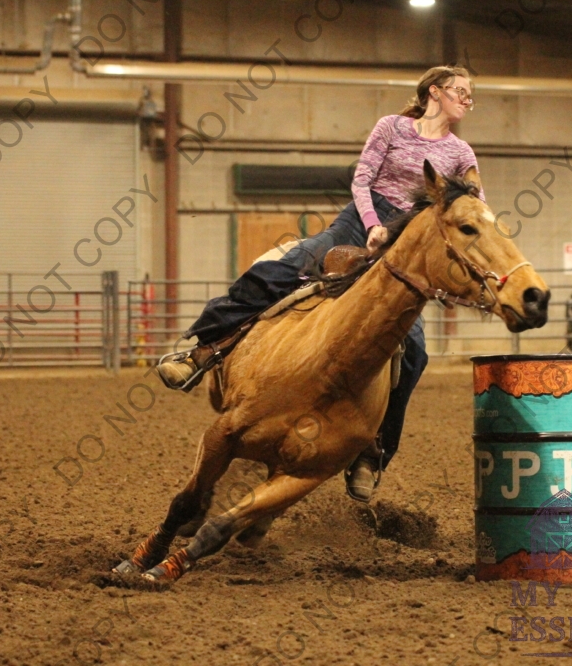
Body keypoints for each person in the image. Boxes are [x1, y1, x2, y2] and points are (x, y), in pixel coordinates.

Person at [157, 65, 484, 502]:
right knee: (281, 270)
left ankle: (372, 453)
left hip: (405, 245)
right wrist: (372, 224)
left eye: (469, 94)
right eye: (461, 91)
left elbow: (471, 213)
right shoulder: (391, 127)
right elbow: (362, 179)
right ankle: (201, 350)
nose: (467, 100)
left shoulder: (462, 153)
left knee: (415, 351)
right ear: (435, 92)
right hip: (358, 223)